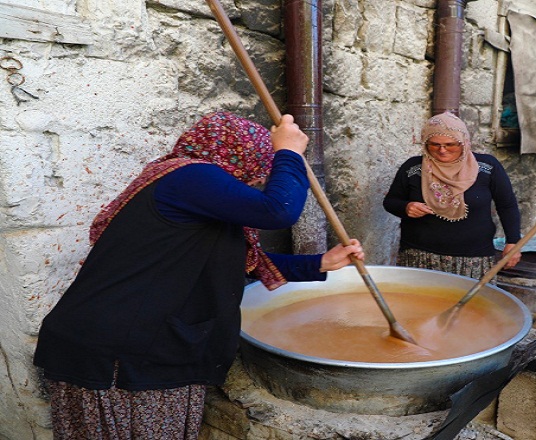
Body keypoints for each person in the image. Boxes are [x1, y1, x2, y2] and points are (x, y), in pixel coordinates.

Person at [33, 111, 364, 439]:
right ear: (240, 155)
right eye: (260, 169)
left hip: (134, 345)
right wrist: (289, 152)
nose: (258, 180)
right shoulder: (190, 177)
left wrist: (319, 264)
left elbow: (234, 260)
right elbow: (278, 209)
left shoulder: (197, 193)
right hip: (118, 354)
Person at [383, 111, 522, 280]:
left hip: (473, 259)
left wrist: (513, 242)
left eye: (450, 144)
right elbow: (390, 201)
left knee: (472, 305)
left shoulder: (487, 167)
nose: (442, 151)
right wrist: (406, 207)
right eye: (434, 144)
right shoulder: (413, 169)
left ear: (463, 142)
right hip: (420, 257)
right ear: (425, 143)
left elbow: (507, 205)